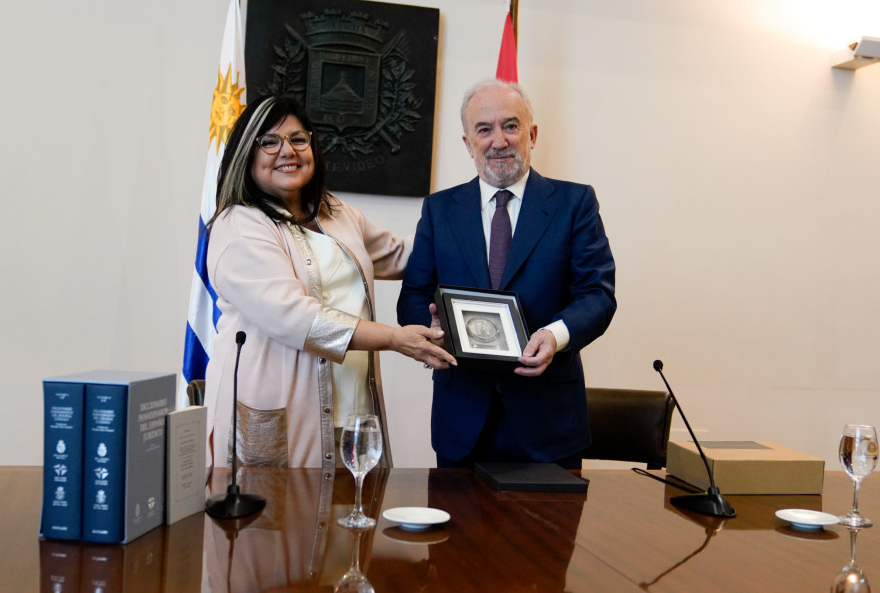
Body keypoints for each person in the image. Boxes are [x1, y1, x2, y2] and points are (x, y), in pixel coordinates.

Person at [204, 96, 455, 470]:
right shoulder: (239, 226)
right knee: (275, 525)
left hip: (353, 408)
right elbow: (296, 319)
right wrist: (394, 338)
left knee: (353, 520)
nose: (287, 151)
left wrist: (467, 231)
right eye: (269, 142)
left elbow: (402, 255)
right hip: (279, 413)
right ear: (247, 156)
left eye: (298, 139)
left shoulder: (334, 211)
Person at [397, 80, 616, 469]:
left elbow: (597, 294)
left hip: (549, 423)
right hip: (460, 421)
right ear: (468, 143)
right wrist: (431, 330)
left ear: (532, 135)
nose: (498, 140)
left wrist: (554, 336)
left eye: (510, 126)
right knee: (457, 532)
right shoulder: (439, 209)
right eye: (484, 129)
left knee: (550, 533)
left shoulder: (574, 203)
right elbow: (414, 294)